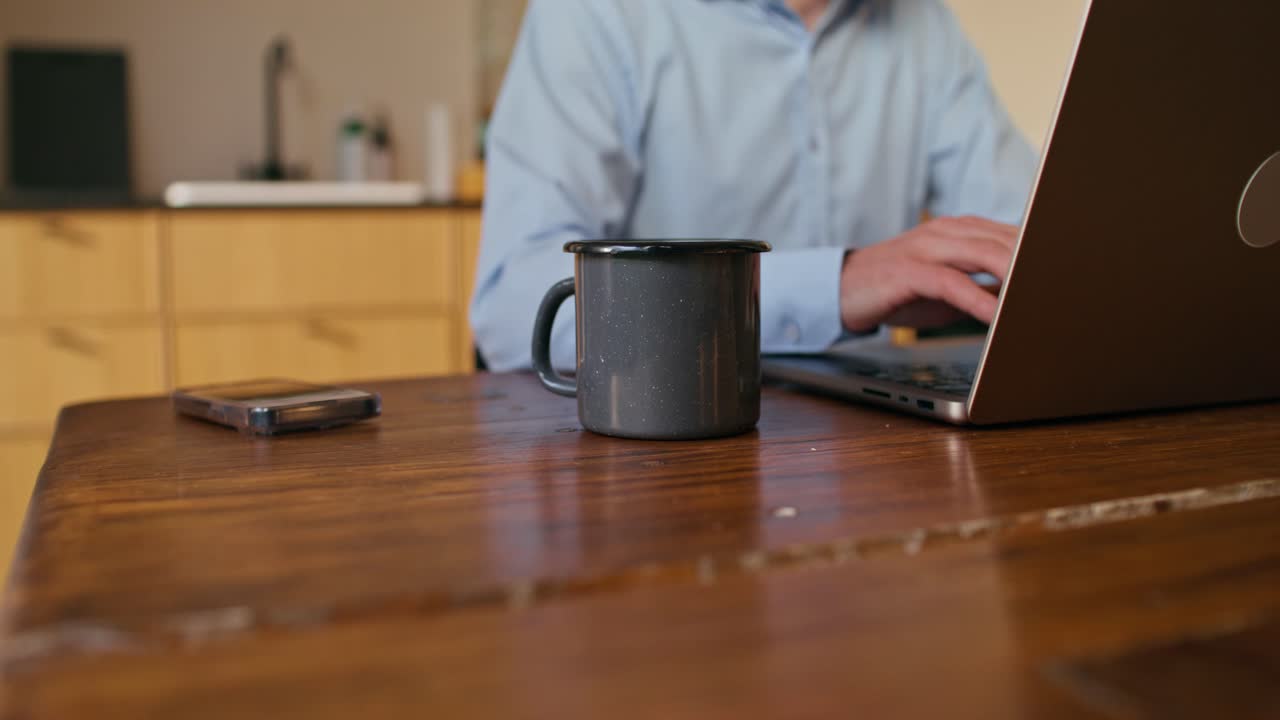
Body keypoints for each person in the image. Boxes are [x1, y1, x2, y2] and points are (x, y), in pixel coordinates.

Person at [471, 0, 1037, 372]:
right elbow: (512, 306)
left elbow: (1036, 241)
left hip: (873, 446)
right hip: (669, 454)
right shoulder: (598, 15)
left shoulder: (924, 25)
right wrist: (834, 286)